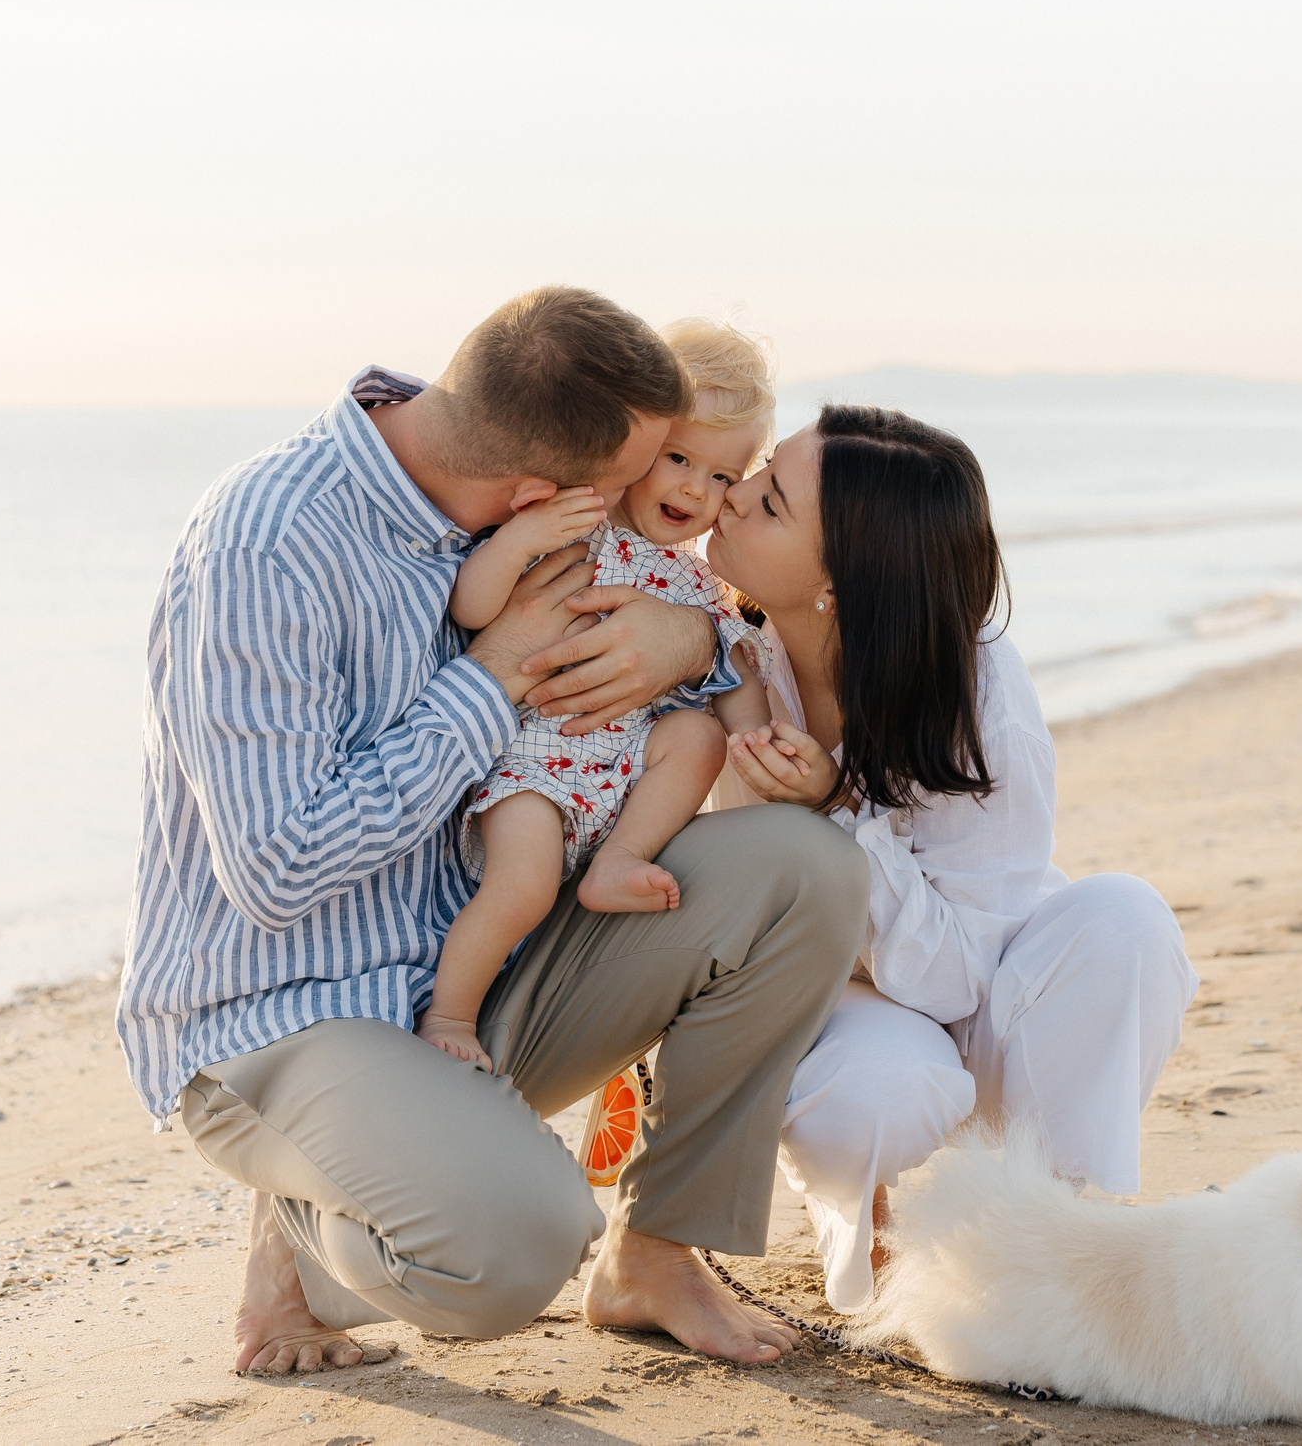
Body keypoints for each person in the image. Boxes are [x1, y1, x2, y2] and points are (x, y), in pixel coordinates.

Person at [116, 287, 867, 1374]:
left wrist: (682, 639)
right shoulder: (267, 548)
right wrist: (491, 675)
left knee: (805, 870)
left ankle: (656, 1254)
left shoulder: (502, 465)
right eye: (626, 487)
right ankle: (303, 1233)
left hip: (476, 977)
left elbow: (653, 601)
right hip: (286, 1015)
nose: (664, 505)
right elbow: (278, 870)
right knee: (513, 1248)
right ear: (539, 492)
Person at [707, 404, 1199, 1313]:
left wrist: (837, 809)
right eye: (760, 473)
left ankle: (1051, 1229)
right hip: (824, 995)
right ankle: (870, 1223)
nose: (730, 499)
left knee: (1127, 923)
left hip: (972, 974)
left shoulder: (973, 691)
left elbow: (954, 977)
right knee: (880, 1094)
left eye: (770, 502)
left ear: (840, 586)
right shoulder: (721, 643)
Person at [420, 320, 778, 1072]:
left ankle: (620, 860)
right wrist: (519, 542)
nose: (694, 488)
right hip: (534, 763)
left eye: (722, 478)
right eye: (678, 459)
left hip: (619, 778)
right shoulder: (572, 526)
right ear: (636, 449)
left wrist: (758, 742)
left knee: (699, 739)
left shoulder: (696, 581)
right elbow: (472, 608)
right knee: (524, 887)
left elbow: (733, 669)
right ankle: (450, 1015)